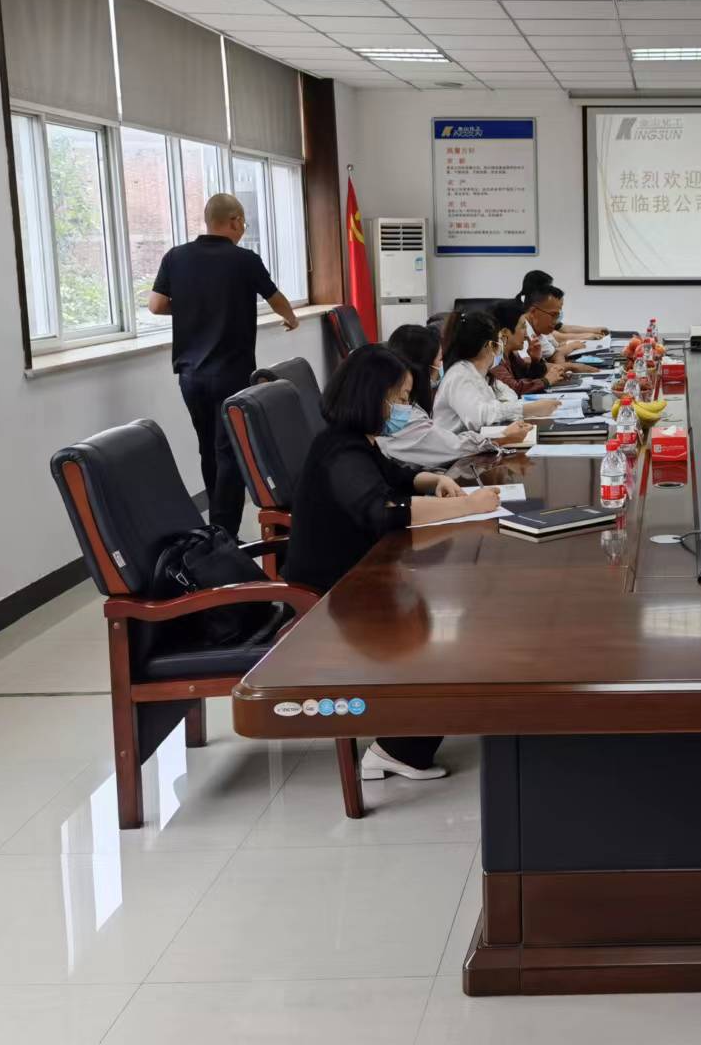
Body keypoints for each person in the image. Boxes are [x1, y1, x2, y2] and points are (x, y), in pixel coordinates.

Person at [284, 344, 501, 781]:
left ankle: (410, 734)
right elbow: (382, 510)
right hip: (333, 593)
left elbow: (392, 476)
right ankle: (398, 748)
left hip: (362, 572)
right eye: (398, 398)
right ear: (371, 397)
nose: (404, 408)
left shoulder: (355, 442)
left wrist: (431, 479)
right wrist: (467, 506)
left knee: (458, 608)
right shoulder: (340, 451)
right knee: (453, 627)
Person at [148, 192, 299, 536]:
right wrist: (290, 318)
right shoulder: (244, 260)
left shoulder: (175, 256)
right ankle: (225, 532)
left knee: (208, 448)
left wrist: (191, 305)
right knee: (230, 449)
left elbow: (156, 305)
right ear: (235, 221)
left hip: (190, 375)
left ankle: (216, 531)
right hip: (231, 373)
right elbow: (274, 297)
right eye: (243, 223)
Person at [380, 325, 527, 466]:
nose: (441, 366)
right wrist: (503, 437)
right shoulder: (404, 415)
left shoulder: (411, 406)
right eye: (439, 360)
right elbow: (451, 446)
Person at [433, 309, 559, 434]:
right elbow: (480, 417)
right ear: (489, 346)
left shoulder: (482, 374)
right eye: (499, 340)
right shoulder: (459, 375)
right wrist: (528, 409)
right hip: (459, 446)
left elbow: (510, 395)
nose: (501, 346)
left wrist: (505, 408)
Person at [490, 299, 570, 395]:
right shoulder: (494, 359)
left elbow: (527, 378)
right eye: (523, 327)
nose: (526, 333)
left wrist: (535, 360)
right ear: (505, 332)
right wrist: (546, 381)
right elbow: (514, 389)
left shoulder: (511, 355)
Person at [517, 269, 606, 340]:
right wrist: (585, 336)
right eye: (548, 288)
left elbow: (564, 328)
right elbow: (553, 336)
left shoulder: (544, 310)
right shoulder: (521, 312)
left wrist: (594, 330)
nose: (551, 291)